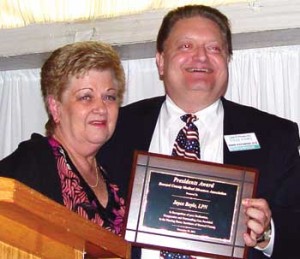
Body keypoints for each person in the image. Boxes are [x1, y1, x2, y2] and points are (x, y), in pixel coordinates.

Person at [97, 4, 300, 259]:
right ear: (160, 61)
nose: (201, 57)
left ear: (226, 61)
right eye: (185, 46)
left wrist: (267, 233)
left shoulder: (274, 136)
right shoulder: (115, 128)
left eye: (214, 48)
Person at [0, 41, 126, 235]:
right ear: (55, 108)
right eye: (86, 97)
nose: (101, 108)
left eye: (109, 97)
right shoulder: (34, 161)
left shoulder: (115, 176)